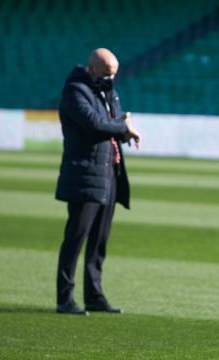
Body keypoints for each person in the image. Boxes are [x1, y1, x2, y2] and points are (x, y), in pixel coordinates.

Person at [54, 48, 141, 315]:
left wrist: (122, 131)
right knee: (76, 238)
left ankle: (94, 295)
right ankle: (64, 299)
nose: (111, 78)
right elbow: (94, 124)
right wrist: (123, 126)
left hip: (108, 173)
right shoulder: (75, 91)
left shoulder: (106, 90)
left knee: (99, 241)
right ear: (92, 69)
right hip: (84, 175)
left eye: (114, 73)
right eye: (106, 73)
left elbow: (112, 122)